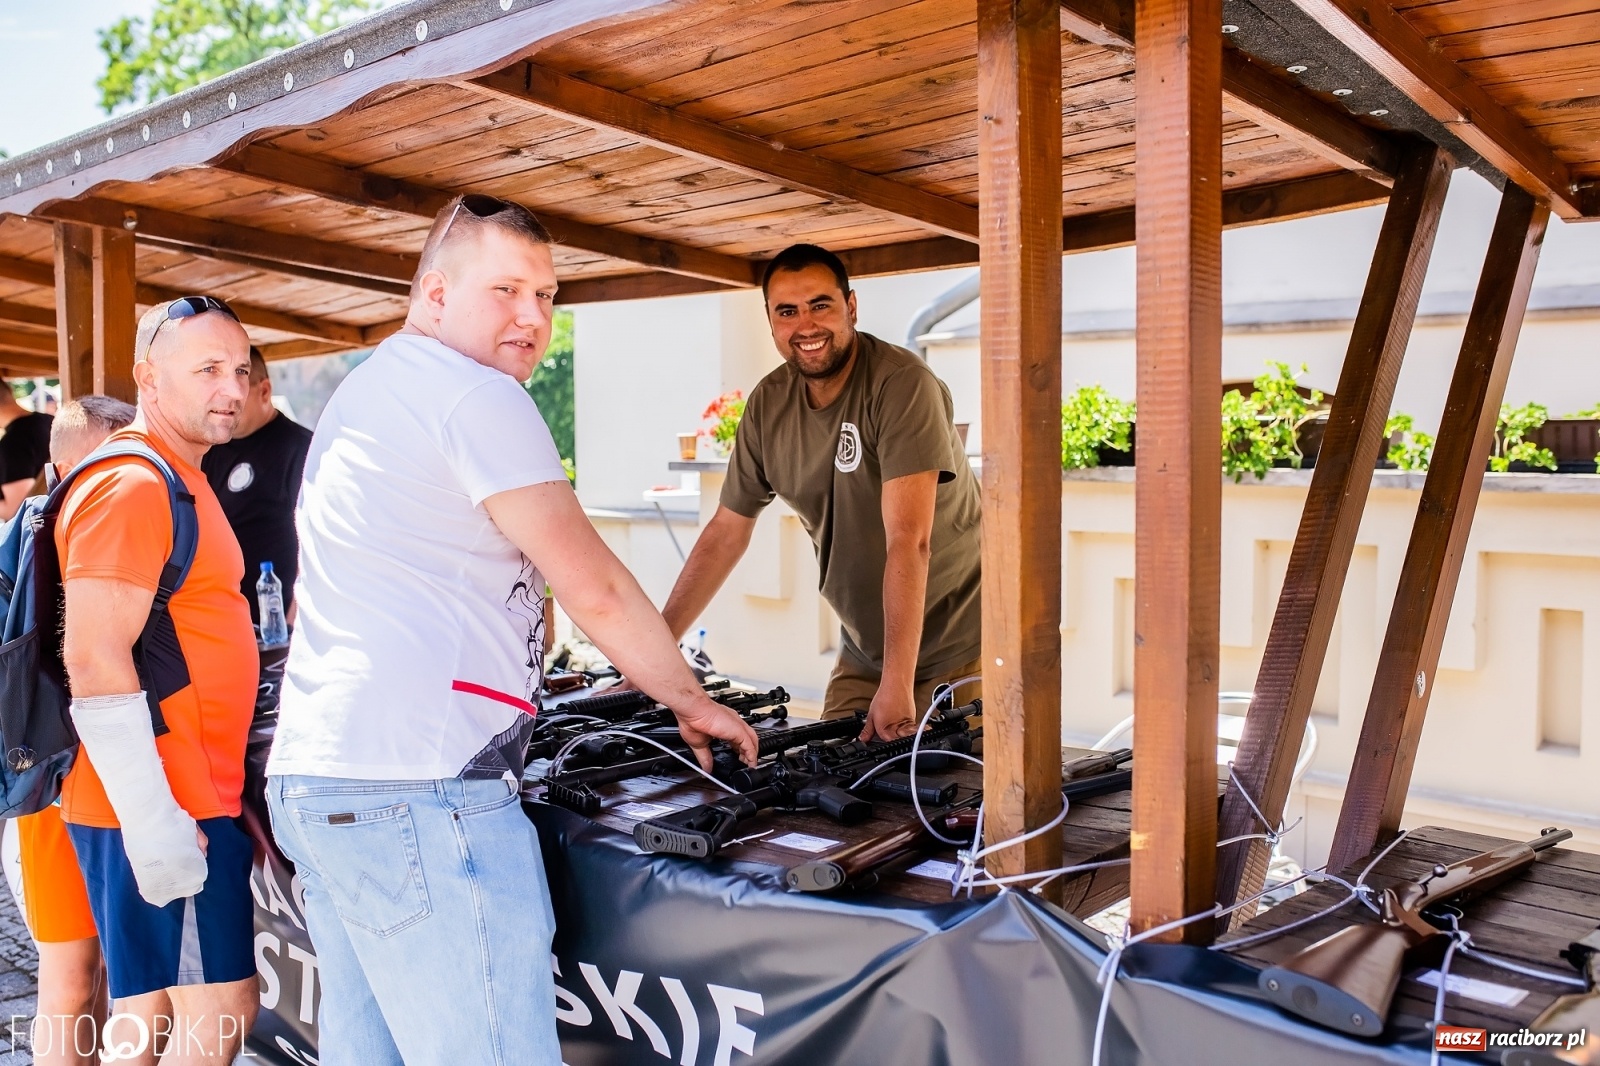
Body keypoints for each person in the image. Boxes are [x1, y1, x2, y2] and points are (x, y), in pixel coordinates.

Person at [265, 193, 759, 1065]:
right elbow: (595, 585)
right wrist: (690, 700)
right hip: (422, 789)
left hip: (327, 779)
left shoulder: (369, 388)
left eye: (547, 296)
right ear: (435, 293)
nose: (533, 317)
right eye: (506, 291)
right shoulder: (472, 396)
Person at [658, 244, 983, 741]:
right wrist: (654, 660)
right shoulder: (768, 405)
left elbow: (909, 539)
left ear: (851, 306)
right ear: (770, 320)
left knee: (955, 786)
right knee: (826, 778)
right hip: (866, 650)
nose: (805, 325)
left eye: (820, 305)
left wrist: (897, 683)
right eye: (787, 311)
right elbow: (725, 533)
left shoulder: (902, 385)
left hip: (961, 644)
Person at [57, 297, 261, 1064]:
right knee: (215, 1011)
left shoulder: (175, 476)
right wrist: (153, 820)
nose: (231, 388)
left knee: (154, 1016)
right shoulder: (135, 483)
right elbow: (92, 655)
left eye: (238, 370)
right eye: (207, 369)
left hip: (183, 794)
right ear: (148, 378)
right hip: (168, 801)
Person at [5, 396, 135, 1066]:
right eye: (108, 461)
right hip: (57, 782)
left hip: (101, 780)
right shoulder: (39, 538)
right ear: (60, 468)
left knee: (110, 979)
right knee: (71, 979)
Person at [202, 346, 314, 624]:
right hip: (215, 618)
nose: (226, 401)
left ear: (264, 391)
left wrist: (295, 623)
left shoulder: (302, 450)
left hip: (273, 626)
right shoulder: (207, 449)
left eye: (237, 391)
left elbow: (314, 544)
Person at [0, 377, 53, 520]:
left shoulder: (12, 444)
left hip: (41, 529)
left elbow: (17, 509)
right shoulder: (51, 421)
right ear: (9, 390)